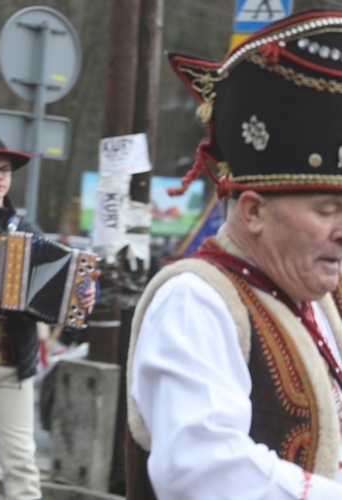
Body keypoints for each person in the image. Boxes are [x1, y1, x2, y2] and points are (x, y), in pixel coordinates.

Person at [126, 10, 342, 499]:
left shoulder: (319, 301)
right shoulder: (195, 301)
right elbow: (199, 470)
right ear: (254, 210)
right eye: (328, 209)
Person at [0, 136, 97, 499]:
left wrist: (85, 293)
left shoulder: (27, 228)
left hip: (16, 363)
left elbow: (64, 279)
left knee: (22, 461)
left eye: (5, 170)